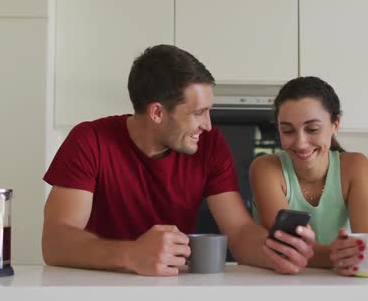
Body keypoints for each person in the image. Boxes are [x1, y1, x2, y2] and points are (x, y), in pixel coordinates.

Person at [42, 44, 315, 276]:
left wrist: (275, 253)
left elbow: (239, 230)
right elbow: (56, 241)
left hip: (173, 287)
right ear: (157, 113)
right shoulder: (90, 140)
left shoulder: (210, 145)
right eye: (198, 113)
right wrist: (131, 254)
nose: (207, 125)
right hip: (95, 288)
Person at [249, 76, 368, 276]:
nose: (301, 143)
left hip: (342, 284)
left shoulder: (356, 167)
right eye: (287, 131)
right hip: (280, 284)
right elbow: (289, 249)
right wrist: (345, 256)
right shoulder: (266, 169)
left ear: (335, 124)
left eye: (312, 129)